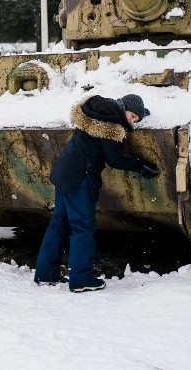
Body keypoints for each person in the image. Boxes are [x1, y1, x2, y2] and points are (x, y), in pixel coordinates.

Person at [33, 93, 160, 292]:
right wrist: (141, 165)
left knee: (59, 224)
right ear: (123, 107)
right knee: (82, 228)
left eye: (135, 119)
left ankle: (45, 274)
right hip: (80, 179)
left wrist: (140, 112)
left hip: (64, 173)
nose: (131, 121)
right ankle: (81, 279)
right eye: (132, 115)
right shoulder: (111, 126)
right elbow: (115, 160)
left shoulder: (97, 112)